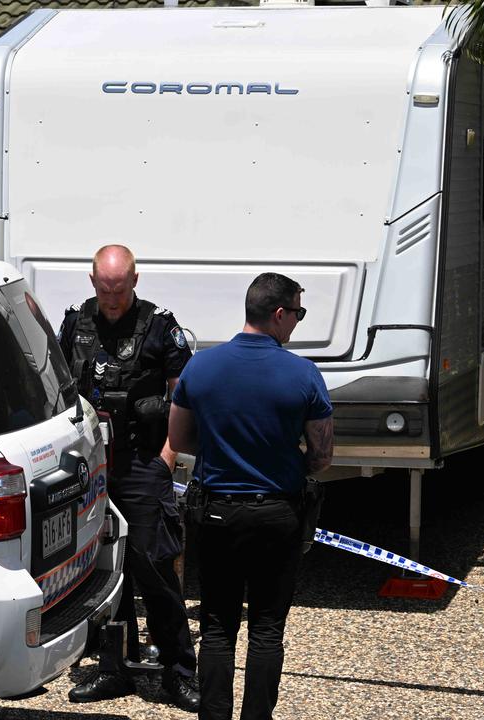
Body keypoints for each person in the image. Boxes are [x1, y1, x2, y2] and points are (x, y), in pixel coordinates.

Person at [167, 272, 333, 720]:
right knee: (266, 628)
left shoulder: (200, 367)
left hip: (217, 512)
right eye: (297, 312)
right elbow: (321, 456)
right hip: (278, 513)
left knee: (218, 626)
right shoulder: (303, 373)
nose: (297, 321)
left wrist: (225, 445)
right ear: (279, 314)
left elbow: (179, 439)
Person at [59, 244, 200, 712]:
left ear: (135, 282)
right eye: (105, 289)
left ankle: (180, 672)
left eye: (120, 290)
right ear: (93, 281)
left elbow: (184, 402)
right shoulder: (76, 325)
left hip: (143, 463)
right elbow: (60, 394)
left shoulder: (161, 327)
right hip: (93, 464)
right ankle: (115, 666)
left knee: (154, 569)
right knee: (104, 572)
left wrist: (167, 459)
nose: (112, 299)